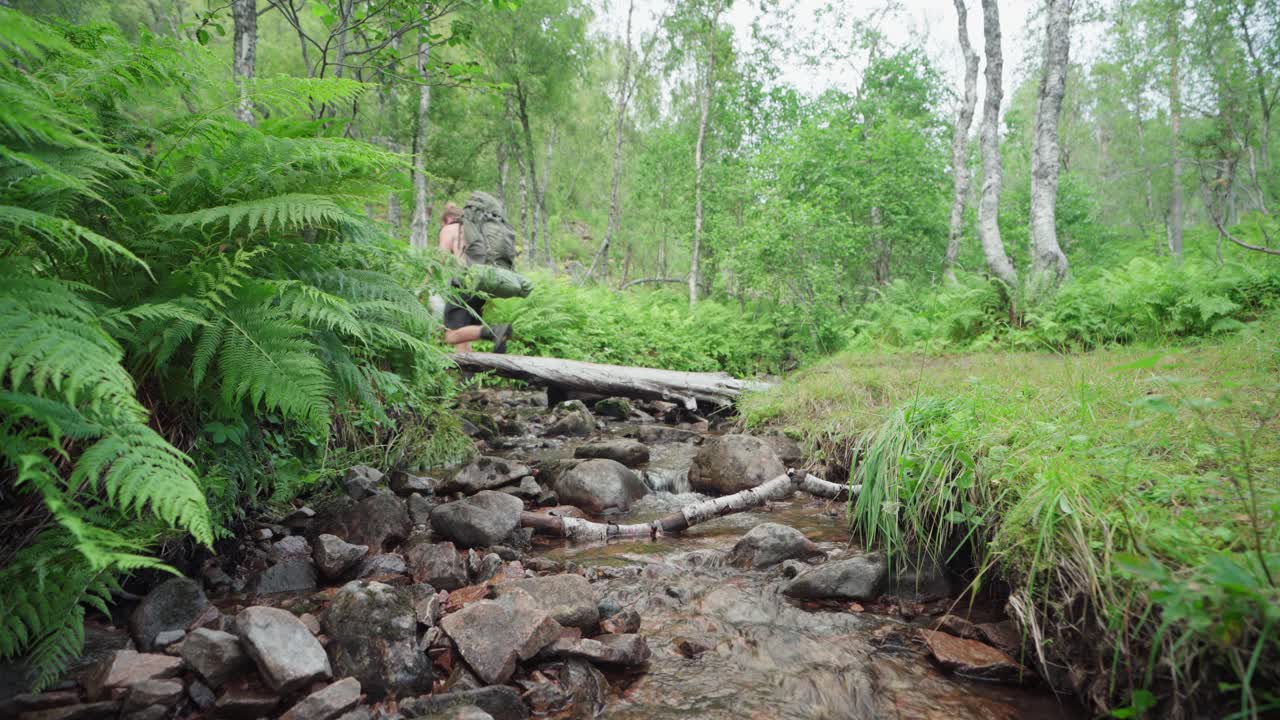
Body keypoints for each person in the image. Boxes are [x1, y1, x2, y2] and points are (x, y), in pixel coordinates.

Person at [438, 202, 511, 353]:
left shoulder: (448, 229)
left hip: (462, 283)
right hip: (482, 282)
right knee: (464, 335)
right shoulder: (476, 231)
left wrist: (423, 285)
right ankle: (468, 369)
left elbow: (439, 260)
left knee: (451, 335)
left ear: (446, 220)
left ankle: (495, 331)